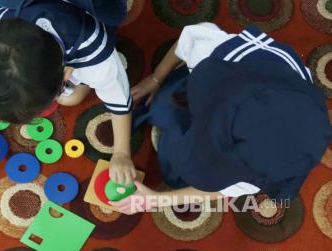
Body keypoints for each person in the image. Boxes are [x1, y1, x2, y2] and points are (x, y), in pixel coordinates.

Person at [110, 23, 332, 214]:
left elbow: (225, 188)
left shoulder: (272, 167)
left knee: (174, 173)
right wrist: (156, 78)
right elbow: (191, 36)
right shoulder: (221, 59)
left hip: (225, 104)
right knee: (163, 107)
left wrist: (157, 200)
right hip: (212, 88)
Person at [0, 0, 136, 184]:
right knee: (71, 97)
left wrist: (121, 153)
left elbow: (119, 100)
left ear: (66, 72)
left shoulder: (93, 50)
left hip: (92, 15)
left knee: (71, 98)